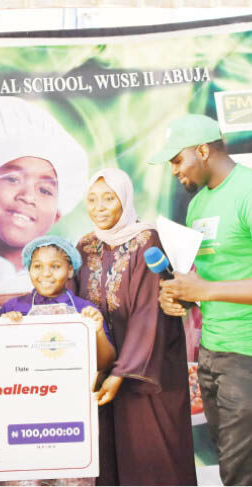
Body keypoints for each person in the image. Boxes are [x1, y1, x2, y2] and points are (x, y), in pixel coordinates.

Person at [75, 167, 196, 485]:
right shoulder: (85, 245)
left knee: (151, 454)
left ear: (124, 199)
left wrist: (120, 372)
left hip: (148, 367)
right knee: (109, 456)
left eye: (108, 198)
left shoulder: (146, 239)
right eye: (92, 199)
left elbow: (147, 312)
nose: (99, 207)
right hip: (102, 369)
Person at [151, 114, 252, 486]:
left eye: (178, 160)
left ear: (204, 150)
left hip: (247, 356)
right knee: (230, 465)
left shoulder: (248, 190)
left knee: (241, 474)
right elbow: (203, 279)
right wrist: (179, 295)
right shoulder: (197, 206)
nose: (175, 171)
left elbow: (209, 286)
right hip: (212, 355)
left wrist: (204, 290)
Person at [0, 96, 89, 297]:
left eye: (45, 190)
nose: (28, 196)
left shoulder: (72, 292)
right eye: (12, 179)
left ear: (56, 215)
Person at [0, 235, 116, 372]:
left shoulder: (86, 311)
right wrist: (4, 328)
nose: (46, 273)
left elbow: (105, 364)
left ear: (70, 270)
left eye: (55, 266)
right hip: (25, 388)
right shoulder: (12, 307)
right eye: (37, 266)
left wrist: (98, 331)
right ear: (29, 269)